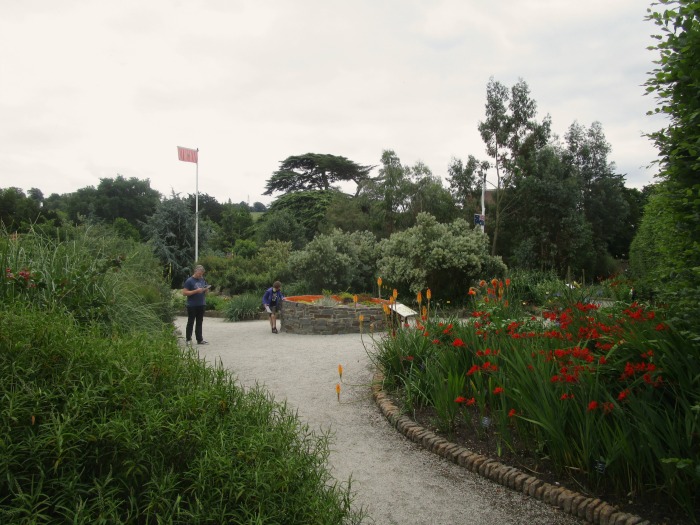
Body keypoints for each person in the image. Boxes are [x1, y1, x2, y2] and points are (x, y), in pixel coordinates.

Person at [182, 265, 210, 345]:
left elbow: (204, 290)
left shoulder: (202, 280)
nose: (200, 276)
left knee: (199, 322)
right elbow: (184, 293)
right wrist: (196, 291)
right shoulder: (189, 281)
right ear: (195, 271)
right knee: (191, 322)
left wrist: (206, 290)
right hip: (192, 305)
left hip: (201, 304)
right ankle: (188, 339)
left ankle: (199, 339)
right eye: (199, 274)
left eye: (202, 274)